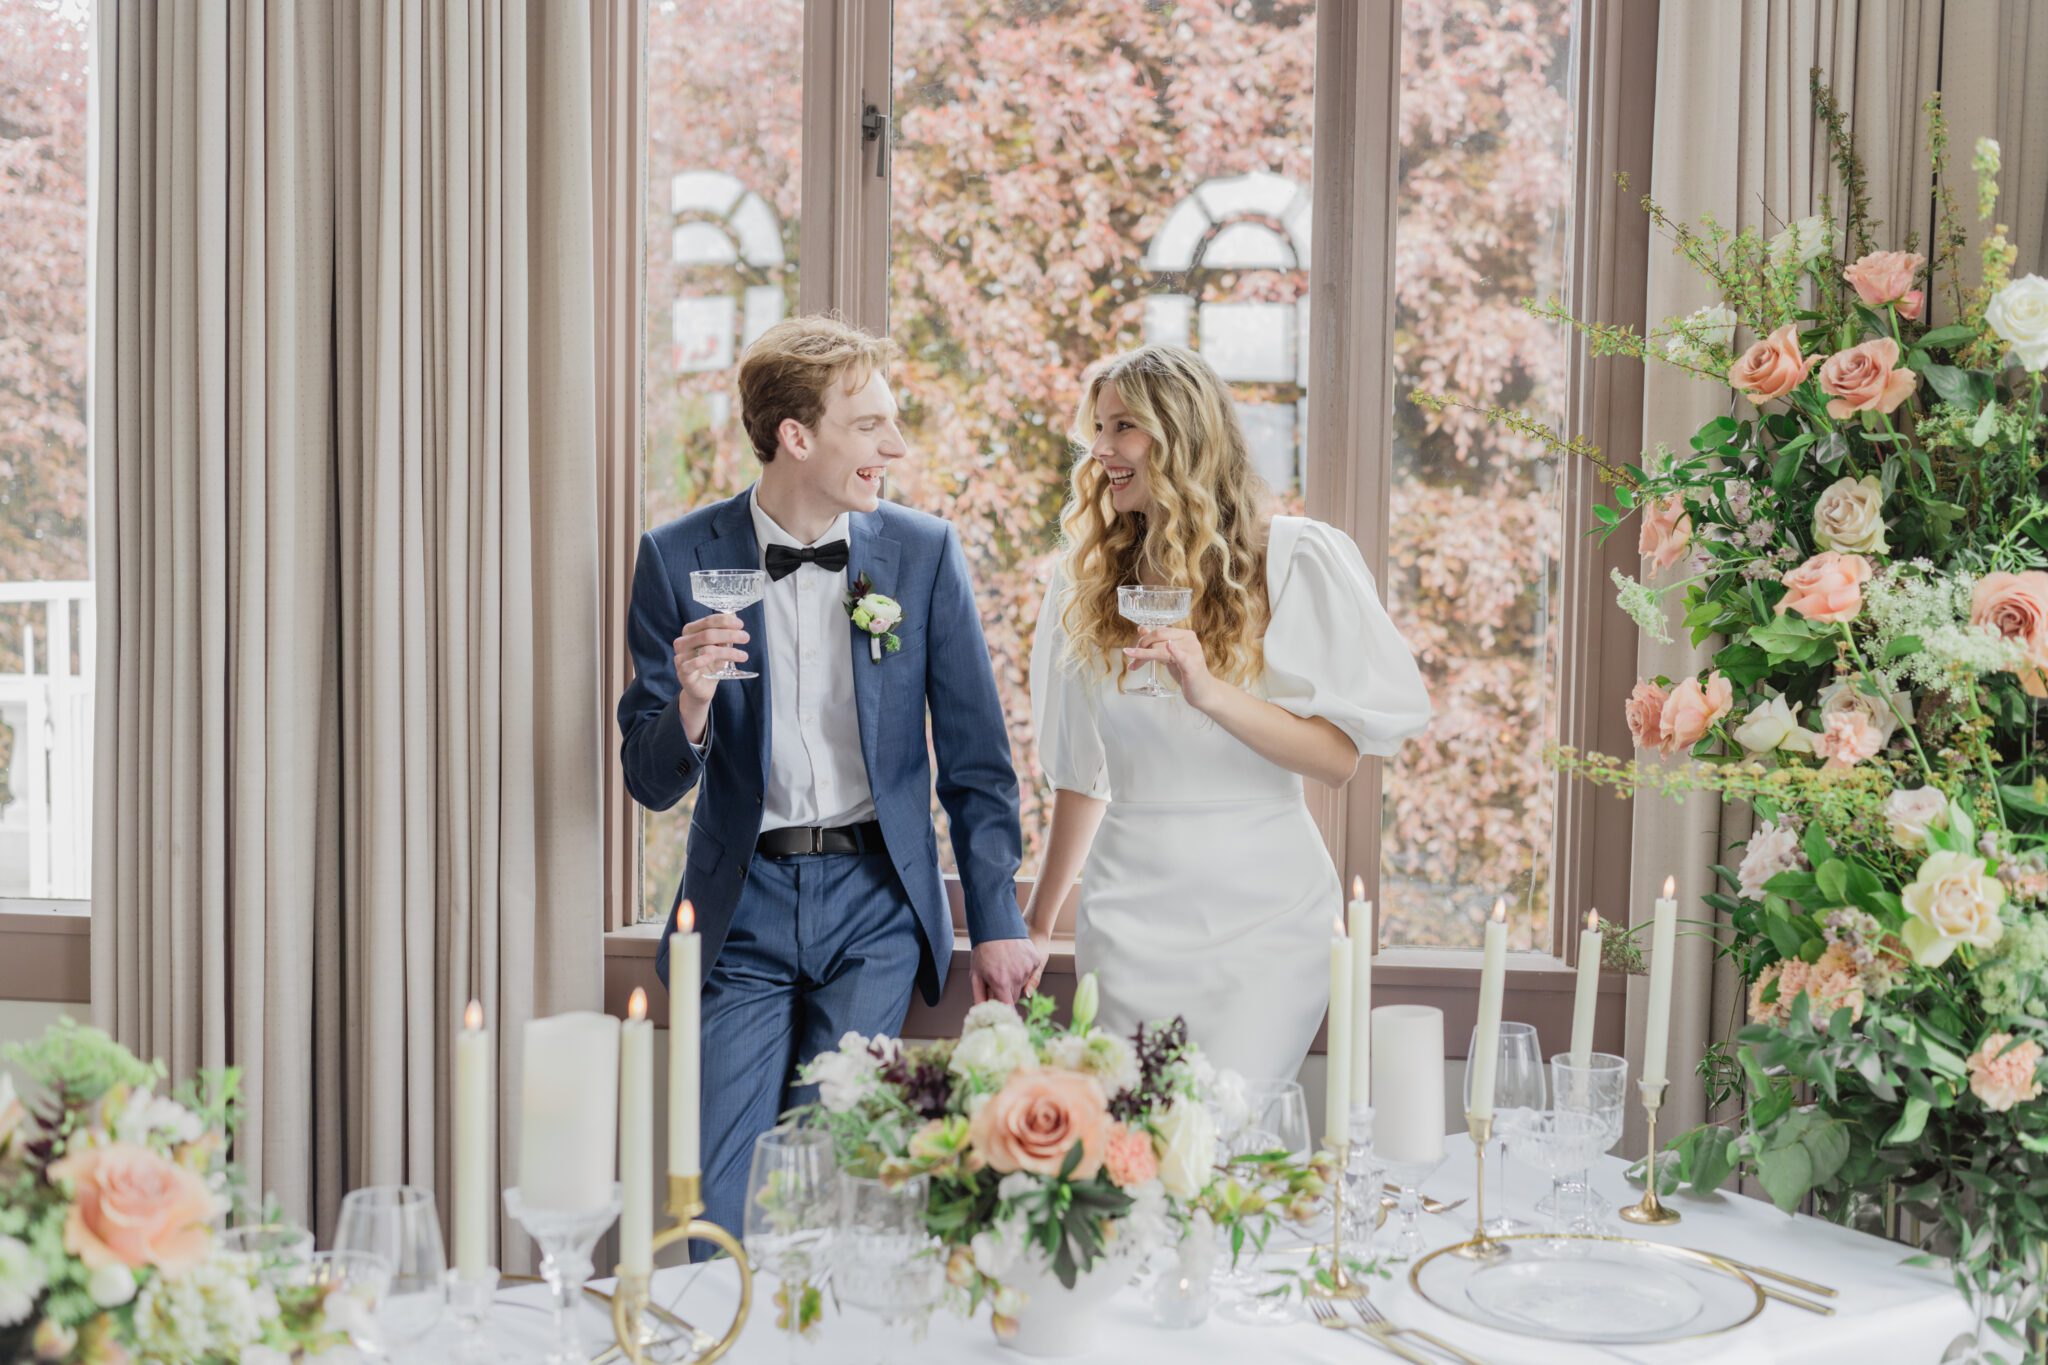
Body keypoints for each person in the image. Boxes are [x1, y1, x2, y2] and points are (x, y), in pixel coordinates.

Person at [617, 315, 1041, 1242]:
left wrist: (999, 924)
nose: (896, 446)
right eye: (872, 426)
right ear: (796, 437)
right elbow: (648, 781)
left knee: (834, 1180)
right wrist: (688, 700)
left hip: (875, 905)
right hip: (742, 908)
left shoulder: (924, 555)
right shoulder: (677, 557)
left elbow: (975, 763)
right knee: (710, 1198)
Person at [1023, 345, 1431, 1081]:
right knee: (1139, 1148)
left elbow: (1336, 760)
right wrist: (1036, 922)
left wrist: (1209, 690)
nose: (1102, 449)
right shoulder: (1083, 583)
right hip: (1127, 914)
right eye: (1099, 428)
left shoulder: (1294, 558)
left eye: (1123, 427)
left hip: (1264, 916)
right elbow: (1081, 777)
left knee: (1232, 1133)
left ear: (1181, 431)